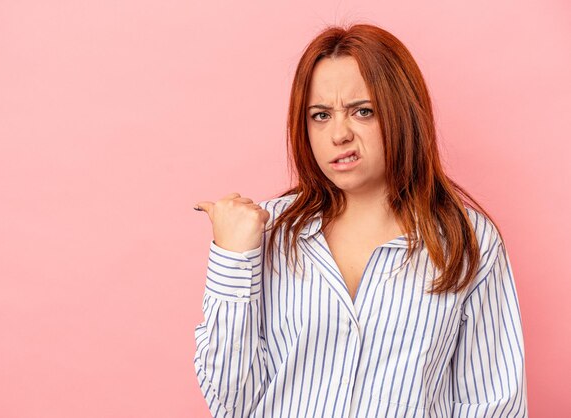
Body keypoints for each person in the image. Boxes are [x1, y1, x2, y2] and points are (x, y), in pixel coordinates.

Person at [192, 23, 527, 417]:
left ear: (401, 113)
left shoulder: (466, 240)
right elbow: (231, 404)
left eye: (362, 112)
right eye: (320, 115)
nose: (338, 134)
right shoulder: (266, 233)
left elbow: (492, 405)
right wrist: (232, 259)